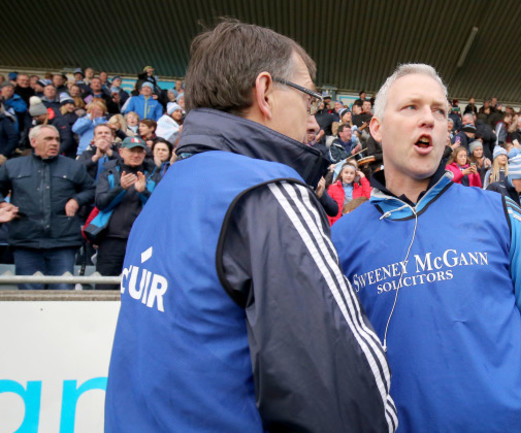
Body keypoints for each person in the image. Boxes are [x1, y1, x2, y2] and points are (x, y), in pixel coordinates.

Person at [104, 19, 396, 433]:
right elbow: (337, 387)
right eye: (308, 98)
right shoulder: (267, 193)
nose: (312, 120)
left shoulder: (170, 186)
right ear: (265, 92)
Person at [330, 63, 521, 433]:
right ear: (376, 128)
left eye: (439, 111)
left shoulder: (501, 215)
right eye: (410, 106)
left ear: (448, 132)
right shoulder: (340, 240)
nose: (428, 118)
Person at [0, 125, 95, 289]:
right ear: (33, 141)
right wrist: (2, 204)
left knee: (62, 294)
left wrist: (76, 200)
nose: (54, 143)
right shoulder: (12, 166)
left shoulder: (74, 166)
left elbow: (92, 189)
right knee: (29, 298)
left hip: (63, 242)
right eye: (49, 139)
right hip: (26, 242)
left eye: (57, 139)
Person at [94, 137, 159, 289]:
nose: (136, 155)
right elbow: (101, 203)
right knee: (105, 289)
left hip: (142, 241)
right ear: (121, 152)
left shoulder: (153, 175)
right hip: (112, 240)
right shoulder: (108, 172)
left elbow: (159, 208)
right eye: (132, 151)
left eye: (139, 151)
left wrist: (144, 192)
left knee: (140, 289)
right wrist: (120, 188)